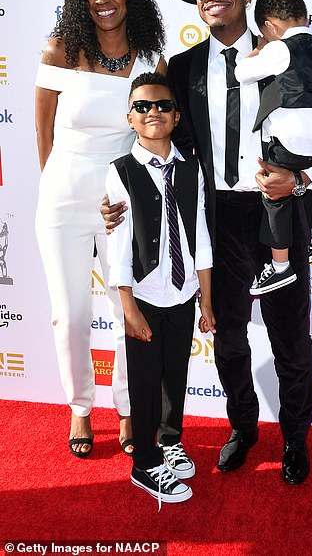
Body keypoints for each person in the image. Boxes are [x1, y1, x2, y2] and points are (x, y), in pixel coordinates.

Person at [105, 0, 312, 484]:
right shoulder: (183, 67)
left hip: (279, 210)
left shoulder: (289, 51)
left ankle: (295, 439)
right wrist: (118, 195)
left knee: (288, 334)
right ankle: (242, 428)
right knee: (230, 337)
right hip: (215, 220)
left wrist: (302, 178)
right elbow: (160, 142)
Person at [35, 0, 166, 458]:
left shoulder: (151, 59)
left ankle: (129, 407)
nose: (102, 1)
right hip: (63, 197)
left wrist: (126, 196)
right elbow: (43, 130)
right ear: (78, 1)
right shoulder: (58, 52)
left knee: (126, 309)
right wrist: (56, 187)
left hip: (122, 201)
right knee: (68, 313)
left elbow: (152, 136)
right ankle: (80, 408)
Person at [105, 73, 214, 504]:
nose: (153, 112)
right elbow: (118, 245)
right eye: (143, 107)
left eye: (163, 106)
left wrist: (206, 297)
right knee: (146, 380)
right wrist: (128, 306)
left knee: (176, 372)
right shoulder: (121, 172)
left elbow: (200, 234)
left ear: (176, 116)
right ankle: (145, 460)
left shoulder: (191, 170)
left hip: (184, 291)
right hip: (146, 296)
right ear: (130, 117)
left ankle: (171, 439)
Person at [234, 0, 312, 295]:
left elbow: (243, 73)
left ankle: (280, 267)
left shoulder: (279, 49)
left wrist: (255, 53)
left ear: (270, 25)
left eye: (264, 34)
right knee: (310, 185)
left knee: (274, 196)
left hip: (287, 142)